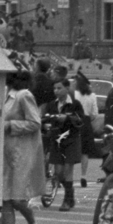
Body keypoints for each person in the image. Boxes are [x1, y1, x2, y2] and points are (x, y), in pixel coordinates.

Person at [0, 70, 44, 224]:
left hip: (22, 152)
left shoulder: (23, 96)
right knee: (5, 199)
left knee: (17, 199)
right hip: (6, 151)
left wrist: (11, 125)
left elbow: (35, 122)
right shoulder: (5, 95)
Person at [43, 77, 86, 210]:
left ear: (67, 88)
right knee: (59, 172)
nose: (56, 91)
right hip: (56, 140)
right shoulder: (52, 104)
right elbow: (45, 118)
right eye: (54, 88)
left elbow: (80, 120)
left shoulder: (75, 104)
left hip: (71, 139)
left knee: (68, 169)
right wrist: (46, 125)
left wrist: (67, 118)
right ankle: (70, 196)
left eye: (59, 88)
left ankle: (67, 200)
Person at [74, 72, 101, 188]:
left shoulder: (74, 94)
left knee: (71, 148)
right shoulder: (92, 96)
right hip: (86, 122)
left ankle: (64, 177)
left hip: (75, 121)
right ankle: (83, 176)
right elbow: (95, 114)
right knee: (85, 151)